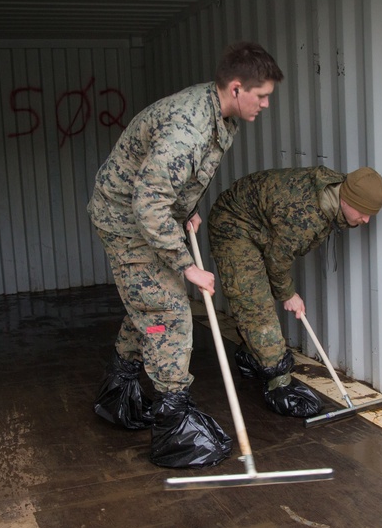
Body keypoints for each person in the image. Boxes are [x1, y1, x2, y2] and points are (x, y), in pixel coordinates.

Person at [89, 41, 284, 469]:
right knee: (169, 310)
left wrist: (187, 209)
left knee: (150, 304)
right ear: (237, 89)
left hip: (148, 210)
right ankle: (173, 423)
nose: (266, 104)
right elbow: (148, 202)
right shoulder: (189, 128)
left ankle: (117, 390)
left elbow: (172, 181)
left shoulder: (219, 112)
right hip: (126, 218)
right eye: (262, 95)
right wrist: (187, 266)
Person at [207, 166, 382, 418]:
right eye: (364, 213)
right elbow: (277, 259)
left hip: (259, 223)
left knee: (258, 296)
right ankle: (278, 383)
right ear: (347, 200)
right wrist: (288, 294)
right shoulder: (305, 214)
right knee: (254, 301)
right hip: (233, 224)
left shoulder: (334, 192)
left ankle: (252, 355)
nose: (367, 220)